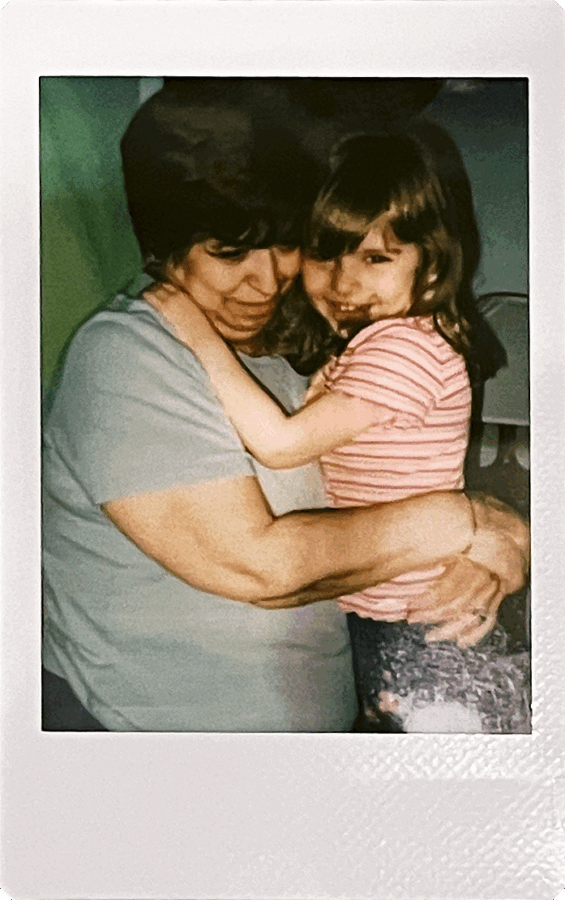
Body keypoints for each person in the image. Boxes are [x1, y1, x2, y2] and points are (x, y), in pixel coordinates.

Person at [42, 84, 529, 732]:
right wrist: (458, 522)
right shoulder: (126, 352)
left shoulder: (295, 354)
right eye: (229, 250)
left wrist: (504, 538)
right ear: (163, 246)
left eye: (286, 242)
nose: (266, 278)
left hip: (364, 708)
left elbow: (372, 493)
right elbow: (263, 567)